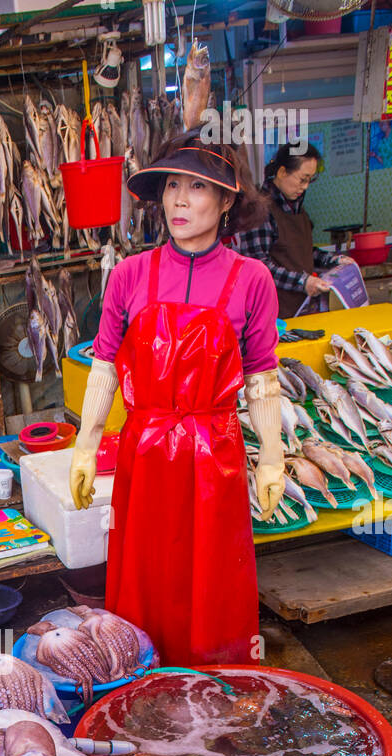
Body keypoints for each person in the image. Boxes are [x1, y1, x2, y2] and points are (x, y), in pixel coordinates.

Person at [69, 130, 283, 668]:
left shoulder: (253, 279)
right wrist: (84, 446)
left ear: (227, 200)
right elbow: (104, 367)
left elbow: (261, 375)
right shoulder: (129, 274)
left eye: (197, 187)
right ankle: (140, 680)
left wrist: (274, 454)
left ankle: (214, 685)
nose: (179, 200)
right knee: (146, 573)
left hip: (216, 455)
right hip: (145, 453)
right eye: (171, 186)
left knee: (213, 575)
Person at [239, 144, 354, 319]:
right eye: (303, 179)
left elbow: (302, 251)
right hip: (274, 315)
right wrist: (303, 281)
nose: (306, 187)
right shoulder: (259, 210)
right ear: (282, 172)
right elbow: (258, 266)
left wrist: (334, 260)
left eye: (310, 180)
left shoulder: (297, 208)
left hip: (303, 309)